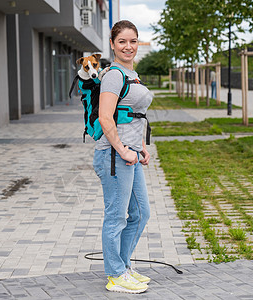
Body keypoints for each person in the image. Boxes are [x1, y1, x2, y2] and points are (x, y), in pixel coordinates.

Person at [93, 20, 153, 294]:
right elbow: (106, 118)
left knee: (141, 213)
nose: (128, 47)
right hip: (114, 157)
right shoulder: (114, 75)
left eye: (133, 41)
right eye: (122, 42)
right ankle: (115, 274)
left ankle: (124, 266)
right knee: (117, 217)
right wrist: (124, 150)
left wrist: (140, 146)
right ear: (113, 44)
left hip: (129, 155)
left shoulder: (131, 73)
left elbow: (132, 116)